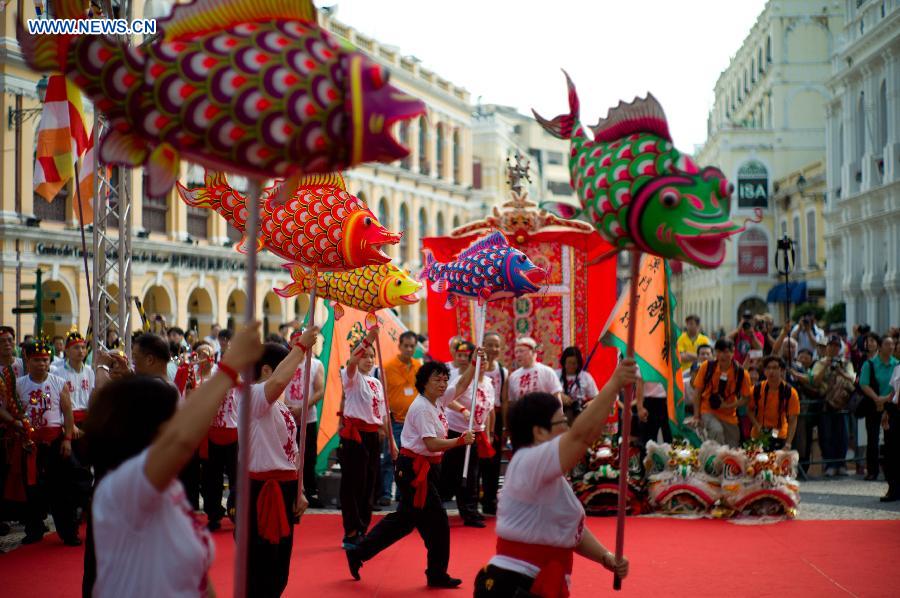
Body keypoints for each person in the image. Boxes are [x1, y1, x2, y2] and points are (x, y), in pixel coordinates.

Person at [85, 322, 262, 597]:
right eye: (170, 418)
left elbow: (196, 574)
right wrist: (229, 367)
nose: (176, 422)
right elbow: (181, 440)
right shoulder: (122, 487)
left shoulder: (168, 487)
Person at [472, 358, 637, 597]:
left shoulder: (545, 472)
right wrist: (614, 385)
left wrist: (605, 557)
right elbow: (581, 436)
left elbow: (568, 529)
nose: (568, 429)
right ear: (539, 432)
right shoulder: (528, 462)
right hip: (515, 583)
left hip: (532, 580)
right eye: (562, 422)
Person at [346, 361, 474, 589]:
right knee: (437, 523)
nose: (443, 384)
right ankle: (436, 573)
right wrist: (460, 441)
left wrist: (475, 362)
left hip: (427, 468)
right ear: (424, 382)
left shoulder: (438, 400)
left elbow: (463, 383)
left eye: (445, 379)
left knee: (405, 521)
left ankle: (359, 552)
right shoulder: (422, 407)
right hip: (414, 470)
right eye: (437, 379)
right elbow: (431, 444)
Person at [242, 328, 318, 597]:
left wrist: (300, 490)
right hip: (263, 489)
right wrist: (300, 348)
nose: (291, 377)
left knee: (278, 568)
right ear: (266, 369)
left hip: (285, 488)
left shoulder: (280, 406)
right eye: (286, 369)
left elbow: (291, 452)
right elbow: (276, 383)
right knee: (262, 566)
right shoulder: (253, 395)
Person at [15, 338, 79, 545]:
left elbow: (67, 413)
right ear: (28, 360)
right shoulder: (19, 385)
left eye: (45, 360)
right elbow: (14, 413)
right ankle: (34, 530)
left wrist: (67, 439)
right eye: (37, 360)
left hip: (55, 441)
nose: (42, 364)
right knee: (32, 490)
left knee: (62, 489)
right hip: (30, 444)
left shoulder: (59, 383)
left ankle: (68, 533)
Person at [338, 327, 396, 549]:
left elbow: (383, 414)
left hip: (373, 436)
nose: (369, 360)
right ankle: (351, 531)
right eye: (365, 355)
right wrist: (367, 339)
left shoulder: (376, 382)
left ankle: (362, 526)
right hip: (355, 437)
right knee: (353, 484)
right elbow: (352, 362)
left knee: (370, 483)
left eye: (372, 356)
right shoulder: (351, 377)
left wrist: (392, 442)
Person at [441, 346, 494, 527]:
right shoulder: (464, 379)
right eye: (479, 359)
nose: (483, 362)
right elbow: (448, 398)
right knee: (453, 472)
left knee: (472, 474)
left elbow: (489, 410)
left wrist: (488, 432)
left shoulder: (488, 383)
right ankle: (438, 507)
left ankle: (470, 510)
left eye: (485, 359)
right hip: (457, 432)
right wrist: (463, 410)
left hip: (476, 434)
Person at [199, 341, 238, 531]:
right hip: (213, 433)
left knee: (236, 478)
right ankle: (214, 515)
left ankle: (237, 513)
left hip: (235, 434)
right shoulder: (212, 379)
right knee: (211, 479)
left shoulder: (242, 379)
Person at [284, 328, 325, 509]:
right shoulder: (284, 363)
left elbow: (319, 391)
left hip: (308, 417)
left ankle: (310, 491)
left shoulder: (315, 364)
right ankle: (290, 490)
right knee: (287, 455)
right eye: (297, 340)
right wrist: (287, 408)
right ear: (290, 343)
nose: (301, 343)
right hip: (286, 417)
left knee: (308, 456)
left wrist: (302, 408)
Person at [382, 330, 421, 503]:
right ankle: (385, 493)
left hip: (413, 423)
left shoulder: (418, 366)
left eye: (412, 346)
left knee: (408, 460)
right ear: (399, 346)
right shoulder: (387, 367)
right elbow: (382, 394)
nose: (409, 349)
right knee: (391, 457)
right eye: (406, 346)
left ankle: (402, 493)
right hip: (394, 421)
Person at [691, 338, 752, 447]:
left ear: (733, 353)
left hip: (729, 415)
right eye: (718, 352)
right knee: (716, 431)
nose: (722, 356)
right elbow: (697, 392)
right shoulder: (706, 367)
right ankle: (715, 457)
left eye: (726, 352)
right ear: (715, 353)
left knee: (732, 447)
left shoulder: (741, 373)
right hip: (708, 409)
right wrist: (696, 416)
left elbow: (746, 398)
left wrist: (728, 405)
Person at [812, 336, 856, 477]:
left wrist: (840, 371)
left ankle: (841, 464)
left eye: (836, 346)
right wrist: (826, 366)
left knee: (843, 435)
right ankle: (830, 465)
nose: (833, 348)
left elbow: (853, 379)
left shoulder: (846, 363)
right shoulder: (819, 363)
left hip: (842, 404)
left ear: (839, 348)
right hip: (825, 404)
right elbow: (814, 381)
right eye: (830, 345)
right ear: (826, 347)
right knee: (826, 435)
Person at [859, 335, 899, 481]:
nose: (891, 347)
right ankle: (872, 471)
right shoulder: (869, 364)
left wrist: (887, 398)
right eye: (887, 344)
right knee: (872, 439)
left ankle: (890, 471)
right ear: (880, 346)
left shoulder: (897, 364)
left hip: (892, 405)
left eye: (893, 344)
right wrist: (877, 398)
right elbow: (863, 384)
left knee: (891, 440)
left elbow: (897, 385)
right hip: (873, 405)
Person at [480, 331, 509, 516]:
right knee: (478, 460)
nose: (493, 349)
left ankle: (490, 500)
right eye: (489, 344)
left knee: (494, 460)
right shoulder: (476, 368)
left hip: (496, 418)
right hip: (478, 418)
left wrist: (504, 425)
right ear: (483, 345)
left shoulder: (502, 371)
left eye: (496, 345)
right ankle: (472, 499)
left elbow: (504, 400)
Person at [747, 356, 800, 450]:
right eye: (768, 368)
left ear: (782, 371)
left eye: (775, 368)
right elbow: (749, 410)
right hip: (758, 434)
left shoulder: (790, 392)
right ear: (764, 371)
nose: (771, 371)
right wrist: (757, 425)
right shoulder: (756, 389)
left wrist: (788, 443)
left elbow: (793, 420)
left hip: (780, 435)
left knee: (776, 460)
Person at [507, 337, 563, 404]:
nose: (518, 355)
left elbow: (557, 398)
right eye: (516, 352)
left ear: (533, 351)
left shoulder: (547, 372)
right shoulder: (513, 376)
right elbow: (512, 402)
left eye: (521, 351)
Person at [556, 346, 599, 425]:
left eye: (574, 363)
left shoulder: (585, 377)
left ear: (578, 363)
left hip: (578, 416)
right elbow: (544, 392)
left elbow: (597, 397)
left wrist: (590, 403)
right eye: (569, 362)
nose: (571, 366)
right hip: (558, 415)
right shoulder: (555, 375)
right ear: (564, 362)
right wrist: (558, 395)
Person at [882, 361, 900, 501]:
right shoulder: (897, 368)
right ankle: (893, 488)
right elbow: (893, 392)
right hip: (896, 412)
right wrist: (886, 411)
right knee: (891, 452)